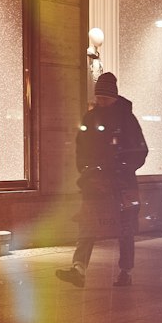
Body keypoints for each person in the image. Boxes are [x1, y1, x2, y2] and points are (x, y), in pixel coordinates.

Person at [56, 71, 148, 288]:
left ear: (114, 97)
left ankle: (125, 271)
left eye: (105, 98)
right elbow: (81, 148)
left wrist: (122, 168)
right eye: (99, 98)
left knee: (124, 228)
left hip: (120, 183)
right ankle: (78, 268)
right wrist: (87, 170)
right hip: (96, 183)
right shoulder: (90, 118)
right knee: (88, 223)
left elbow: (139, 150)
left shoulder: (127, 119)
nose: (101, 101)